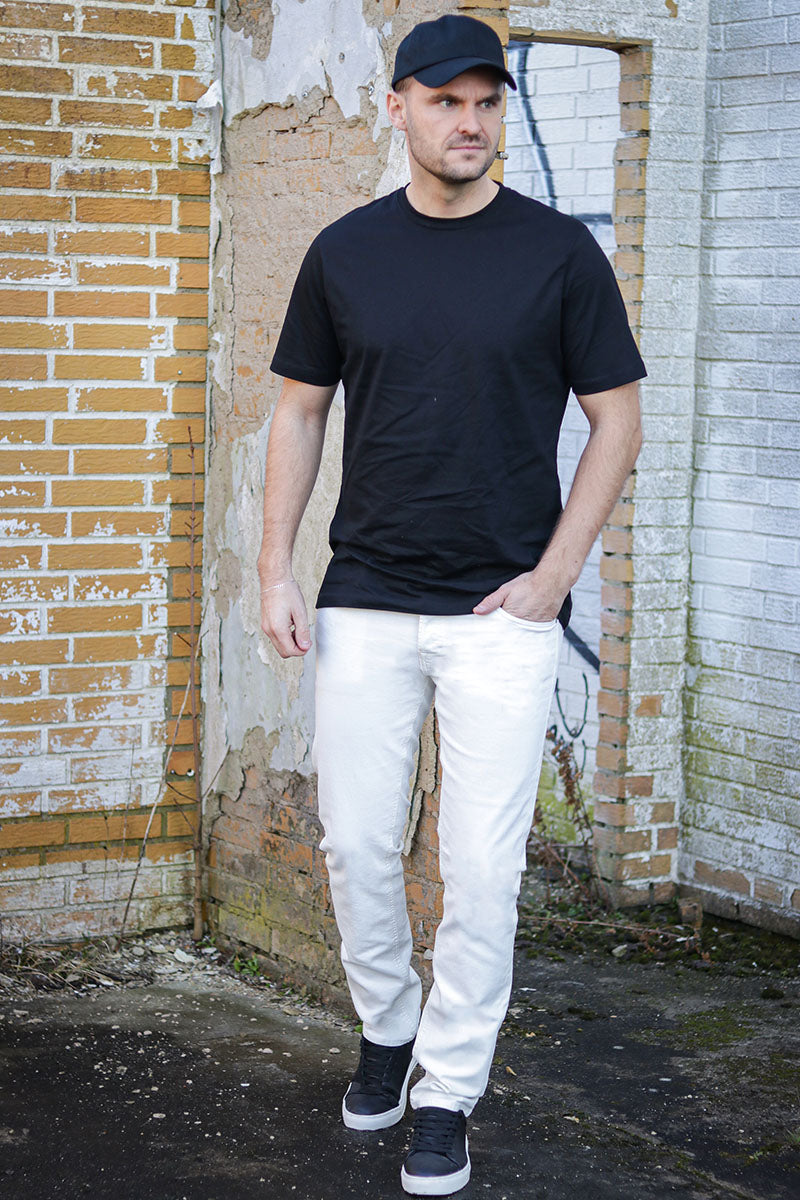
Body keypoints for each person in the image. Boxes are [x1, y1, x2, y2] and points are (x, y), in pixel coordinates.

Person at [258, 13, 645, 1196]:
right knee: (355, 844)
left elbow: (616, 419)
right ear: (400, 109)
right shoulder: (344, 252)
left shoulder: (556, 255)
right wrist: (273, 568)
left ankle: (446, 1089)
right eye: (444, 101)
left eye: (485, 101)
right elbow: (298, 412)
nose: (468, 122)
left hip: (499, 615)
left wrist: (555, 578)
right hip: (367, 600)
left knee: (480, 871)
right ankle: (388, 1025)